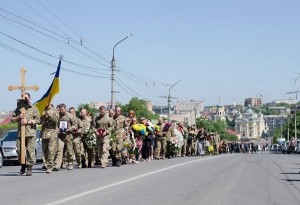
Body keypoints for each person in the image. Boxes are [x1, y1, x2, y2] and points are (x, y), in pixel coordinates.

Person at [11, 92, 40, 176]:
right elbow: (12, 120)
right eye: (23, 97)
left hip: (30, 133)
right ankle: (23, 165)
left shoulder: (34, 108)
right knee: (19, 151)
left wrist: (28, 122)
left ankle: (29, 168)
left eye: (26, 97)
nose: (25, 99)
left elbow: (38, 120)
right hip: (21, 134)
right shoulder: (18, 108)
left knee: (30, 152)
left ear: (29, 98)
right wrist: (18, 117)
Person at [53, 103, 77, 171]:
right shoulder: (57, 116)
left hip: (68, 136)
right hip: (60, 136)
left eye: (62, 109)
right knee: (59, 150)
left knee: (69, 151)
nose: (61, 111)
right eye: (60, 109)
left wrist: (70, 129)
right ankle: (57, 165)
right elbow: (55, 125)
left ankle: (70, 163)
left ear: (65, 109)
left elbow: (75, 125)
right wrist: (57, 130)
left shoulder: (70, 116)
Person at [40, 104, 59, 173]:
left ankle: (50, 166)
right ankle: (48, 164)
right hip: (44, 133)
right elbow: (40, 122)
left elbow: (56, 120)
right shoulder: (43, 110)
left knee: (51, 150)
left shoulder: (54, 110)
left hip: (52, 133)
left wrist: (49, 114)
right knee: (45, 150)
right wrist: (42, 116)